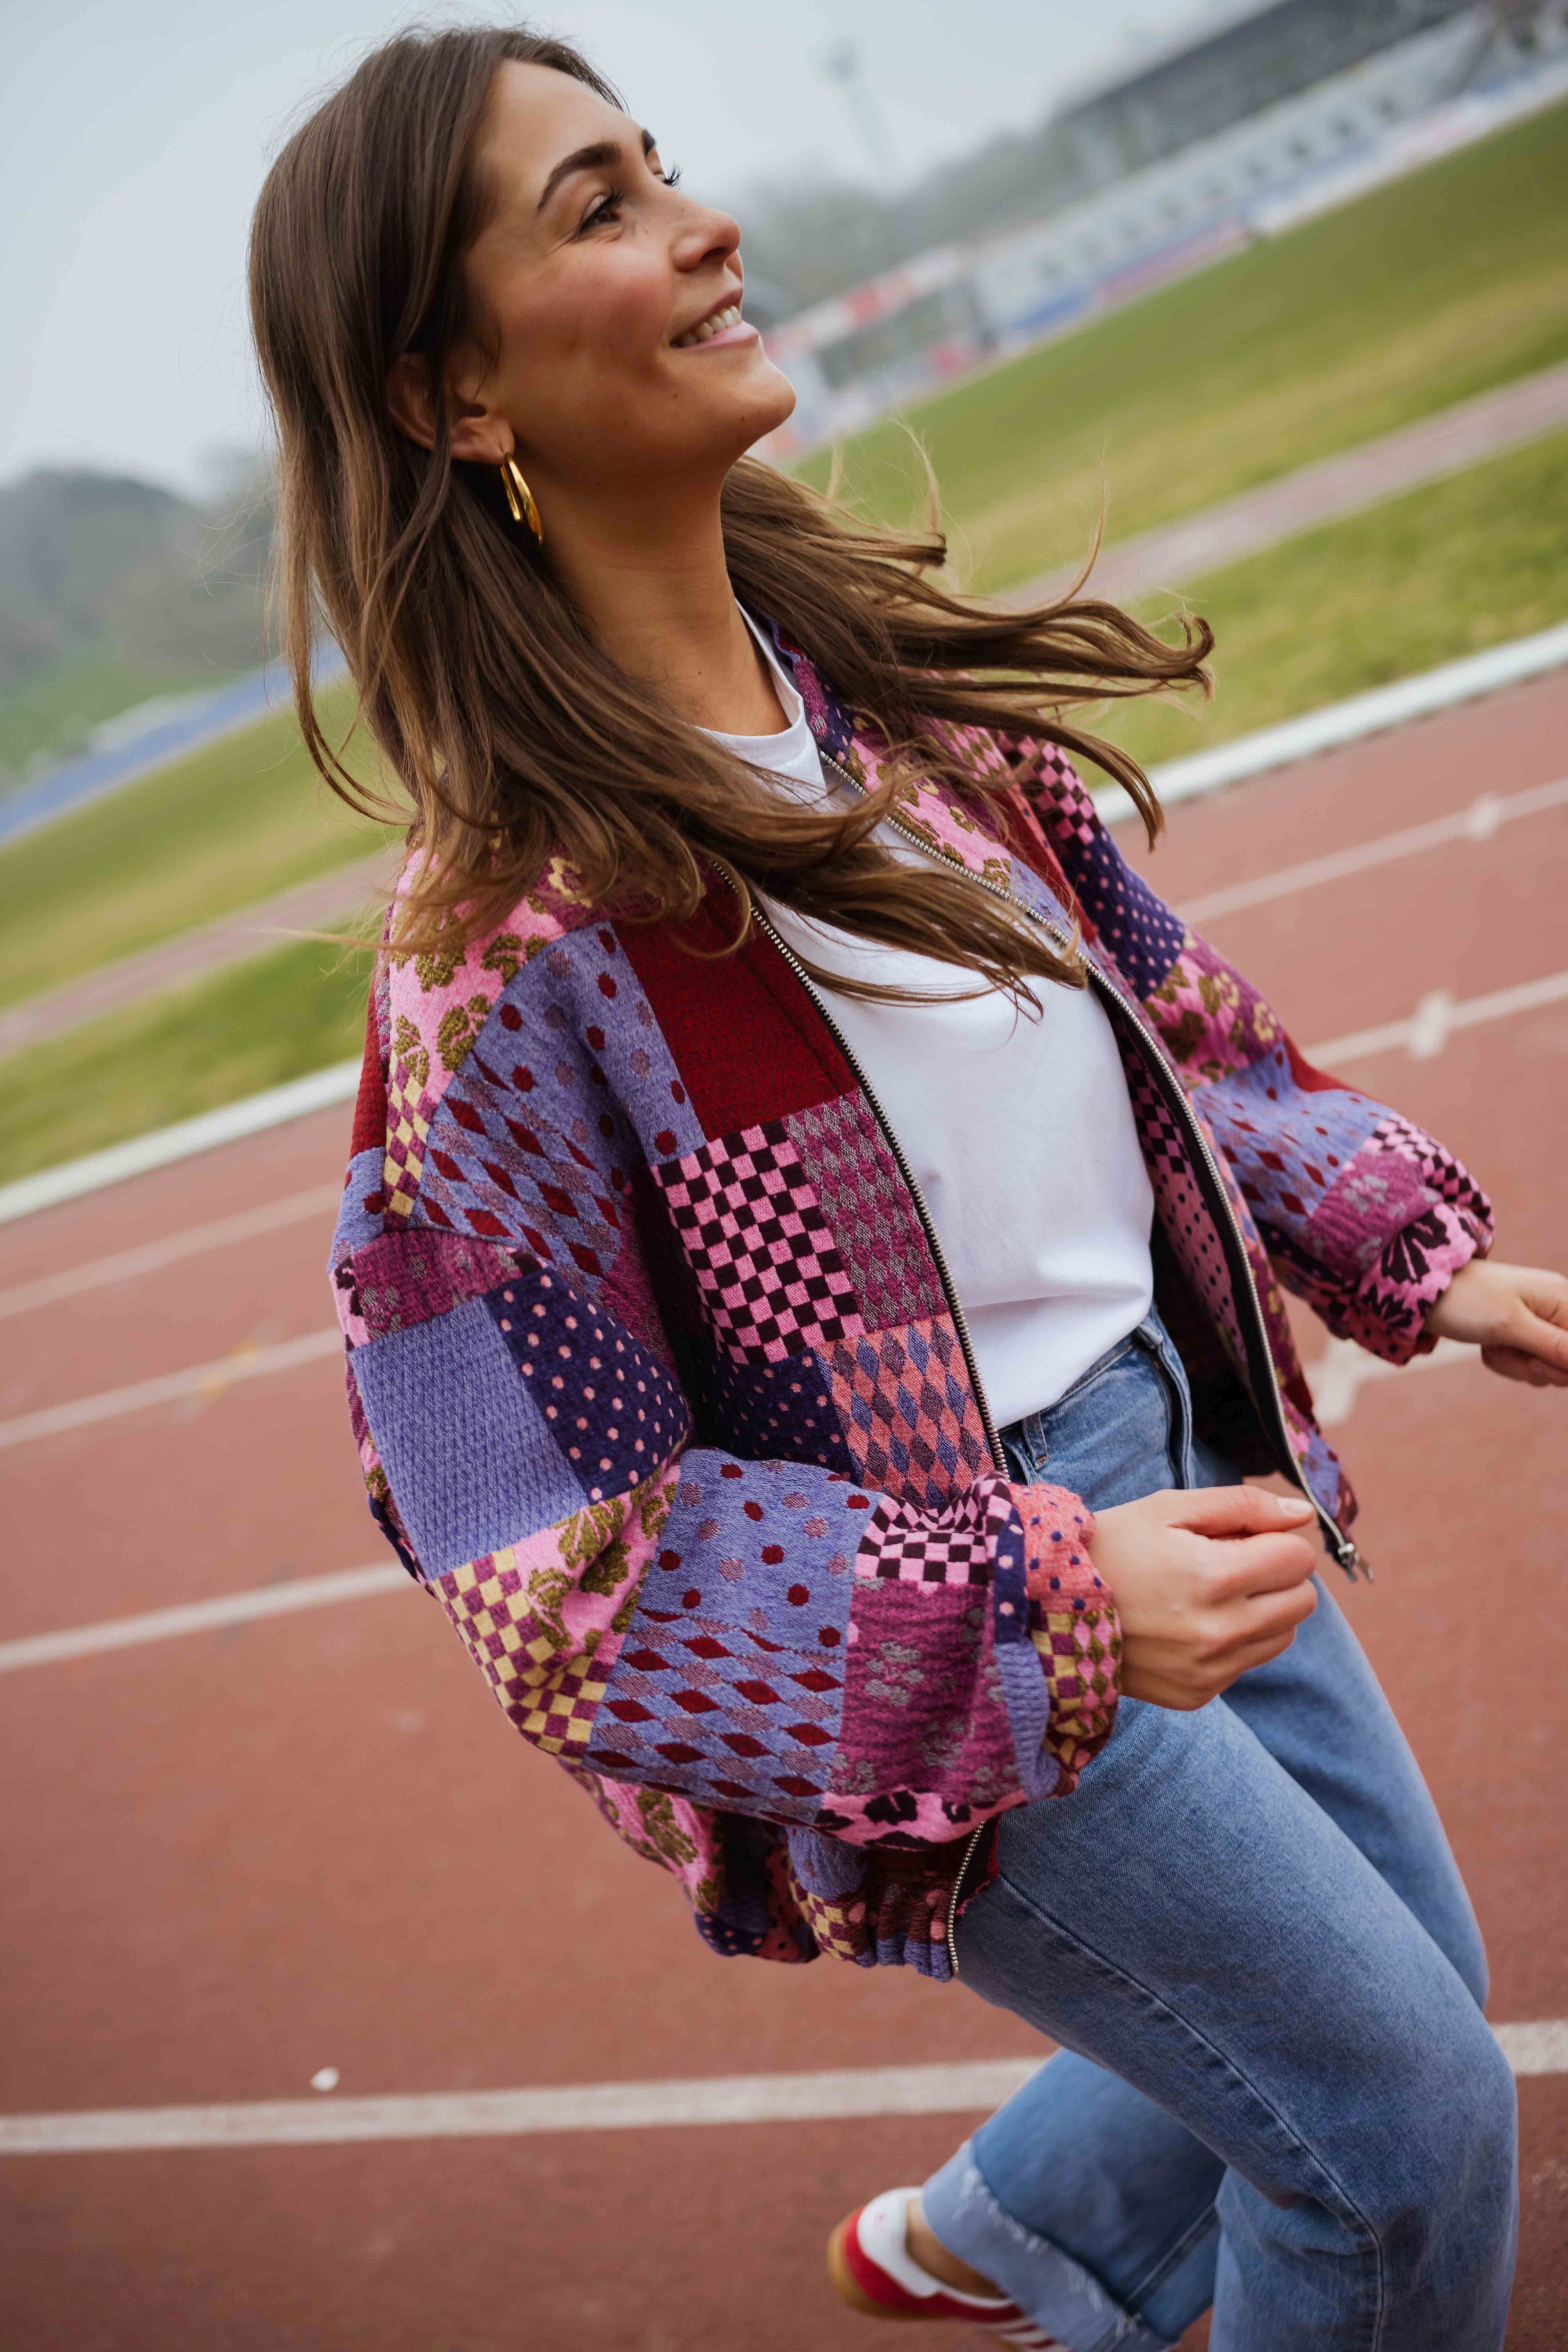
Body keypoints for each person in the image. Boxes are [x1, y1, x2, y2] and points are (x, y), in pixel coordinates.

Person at [249, 27, 1568, 2350]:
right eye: (596, 206)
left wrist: (1418, 1255)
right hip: (970, 1614)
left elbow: (1179, 1035)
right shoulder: (504, 950)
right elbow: (549, 1572)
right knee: (1398, 2134)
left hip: (1193, 1460)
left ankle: (1004, 2237)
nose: (703, 218)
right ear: (457, 396)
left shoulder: (887, 710)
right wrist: (1050, 1607)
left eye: (663, 166)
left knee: (1408, 2007)